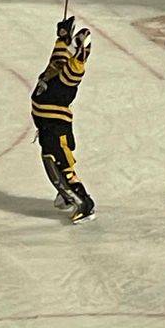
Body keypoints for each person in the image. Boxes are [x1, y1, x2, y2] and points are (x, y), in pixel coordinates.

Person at [31, 15, 95, 224]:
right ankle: (68, 196)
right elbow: (58, 56)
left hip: (56, 130)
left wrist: (80, 51)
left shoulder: (66, 79)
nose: (66, 52)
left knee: (62, 167)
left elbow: (76, 68)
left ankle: (84, 204)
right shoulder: (55, 67)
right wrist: (63, 36)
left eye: (71, 50)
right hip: (47, 127)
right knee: (51, 163)